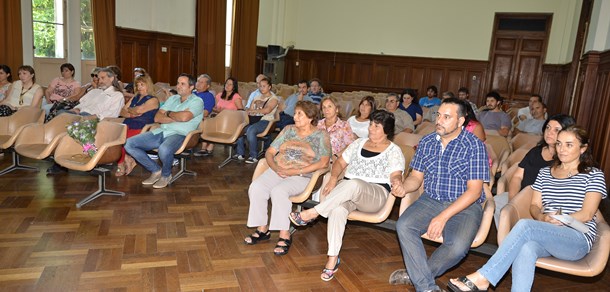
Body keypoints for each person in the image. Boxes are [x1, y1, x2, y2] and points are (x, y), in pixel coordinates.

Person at [448, 125, 607, 292]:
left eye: (569, 145)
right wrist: (542, 218)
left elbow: (588, 214)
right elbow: (534, 206)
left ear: (583, 148)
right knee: (526, 248)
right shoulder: (545, 172)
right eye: (559, 144)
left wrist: (562, 219)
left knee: (525, 225)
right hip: (548, 232)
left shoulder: (593, 175)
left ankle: (484, 277)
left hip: (577, 238)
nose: (561, 149)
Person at [289, 110, 405, 281]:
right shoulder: (358, 144)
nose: (371, 129)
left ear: (386, 130)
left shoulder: (394, 151)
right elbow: (339, 163)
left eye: (376, 126)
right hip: (349, 192)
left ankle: (312, 213)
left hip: (375, 195)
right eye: (371, 124)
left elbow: (396, 174)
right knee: (337, 211)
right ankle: (332, 260)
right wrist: (333, 178)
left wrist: (397, 182)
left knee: (353, 183)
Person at [389, 98, 490, 292]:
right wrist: (403, 187)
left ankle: (416, 275)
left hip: (465, 205)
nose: (439, 120)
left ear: (460, 121)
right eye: (438, 115)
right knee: (404, 225)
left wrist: (442, 217)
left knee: (458, 247)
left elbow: (474, 191)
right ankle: (427, 287)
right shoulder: (427, 142)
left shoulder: (474, 145)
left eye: (447, 117)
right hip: (431, 199)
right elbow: (416, 178)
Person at [245, 101, 331, 256]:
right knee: (256, 187)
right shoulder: (288, 130)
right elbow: (270, 152)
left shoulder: (321, 135)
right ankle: (262, 228)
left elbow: (324, 162)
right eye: (296, 112)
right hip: (279, 169)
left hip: (303, 175)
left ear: (310, 117)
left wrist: (296, 170)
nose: (295, 117)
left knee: (279, 191)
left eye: (300, 114)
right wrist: (275, 167)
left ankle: (284, 234)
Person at [492, 114, 576, 227]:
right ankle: (507, 236)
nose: (550, 132)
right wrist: (513, 201)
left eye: (556, 130)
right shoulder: (535, 151)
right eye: (548, 127)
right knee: (495, 202)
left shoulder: (566, 159)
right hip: (520, 196)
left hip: (545, 203)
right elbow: (517, 177)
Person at [124, 73, 203, 189]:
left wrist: (168, 113)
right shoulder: (173, 98)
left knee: (164, 149)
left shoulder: (197, 101)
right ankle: (156, 170)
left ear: (191, 87)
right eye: (178, 83)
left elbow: (185, 118)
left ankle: (166, 175)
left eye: (183, 84)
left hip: (180, 134)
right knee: (129, 143)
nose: (178, 86)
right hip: (162, 131)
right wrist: (176, 117)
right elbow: (157, 117)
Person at [115, 75, 160, 177]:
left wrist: (132, 110)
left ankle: (121, 163)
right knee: (115, 136)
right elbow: (122, 111)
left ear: (148, 85)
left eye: (142, 85)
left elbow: (139, 110)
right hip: (128, 124)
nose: (139, 87)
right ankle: (127, 159)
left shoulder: (153, 100)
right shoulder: (135, 97)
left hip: (142, 127)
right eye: (137, 85)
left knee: (121, 139)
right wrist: (132, 113)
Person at [235, 76, 279, 164]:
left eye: (264, 86)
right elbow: (250, 110)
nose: (261, 88)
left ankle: (253, 156)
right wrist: (250, 112)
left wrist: (255, 111)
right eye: (260, 86)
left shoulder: (273, 98)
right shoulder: (257, 97)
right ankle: (240, 153)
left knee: (251, 130)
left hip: (266, 121)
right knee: (240, 129)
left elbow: (267, 110)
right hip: (255, 120)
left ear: (269, 87)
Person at [193, 74, 216, 157]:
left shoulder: (208, 96)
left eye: (202, 82)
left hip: (198, 119)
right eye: (198, 81)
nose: (198, 83)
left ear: (208, 86)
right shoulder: (191, 94)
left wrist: (189, 115)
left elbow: (205, 113)